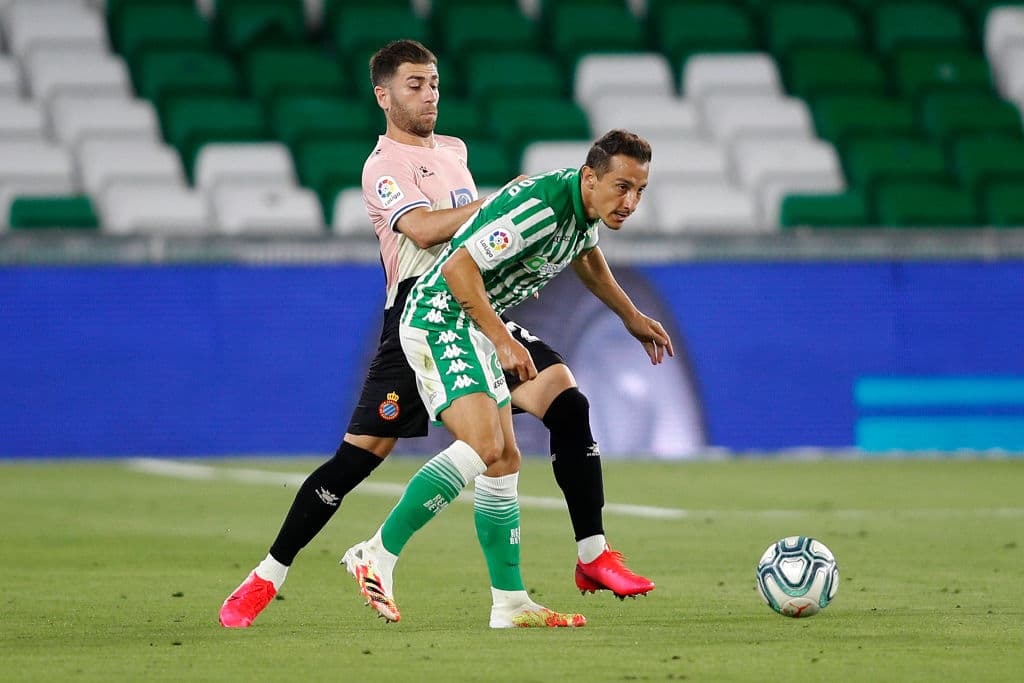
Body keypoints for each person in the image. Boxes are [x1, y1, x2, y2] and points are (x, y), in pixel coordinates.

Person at [219, 40, 653, 629]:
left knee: (563, 403)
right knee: (358, 460)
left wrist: (624, 313)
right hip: (417, 315)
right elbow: (425, 231)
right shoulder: (382, 168)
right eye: (415, 85)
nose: (429, 95)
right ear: (384, 95)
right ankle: (266, 577)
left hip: (477, 307)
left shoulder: (453, 150)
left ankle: (571, 566)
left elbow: (557, 242)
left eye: (434, 84)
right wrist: (500, 205)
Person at [342, 127, 672, 628]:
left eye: (640, 191)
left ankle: (513, 601)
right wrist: (501, 339)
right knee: (483, 446)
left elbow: (586, 254)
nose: (630, 201)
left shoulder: (582, 211)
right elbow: (456, 268)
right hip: (440, 316)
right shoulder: (541, 206)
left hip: (475, 320)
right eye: (622, 187)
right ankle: (377, 553)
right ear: (590, 178)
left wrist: (630, 315)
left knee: (533, 430)